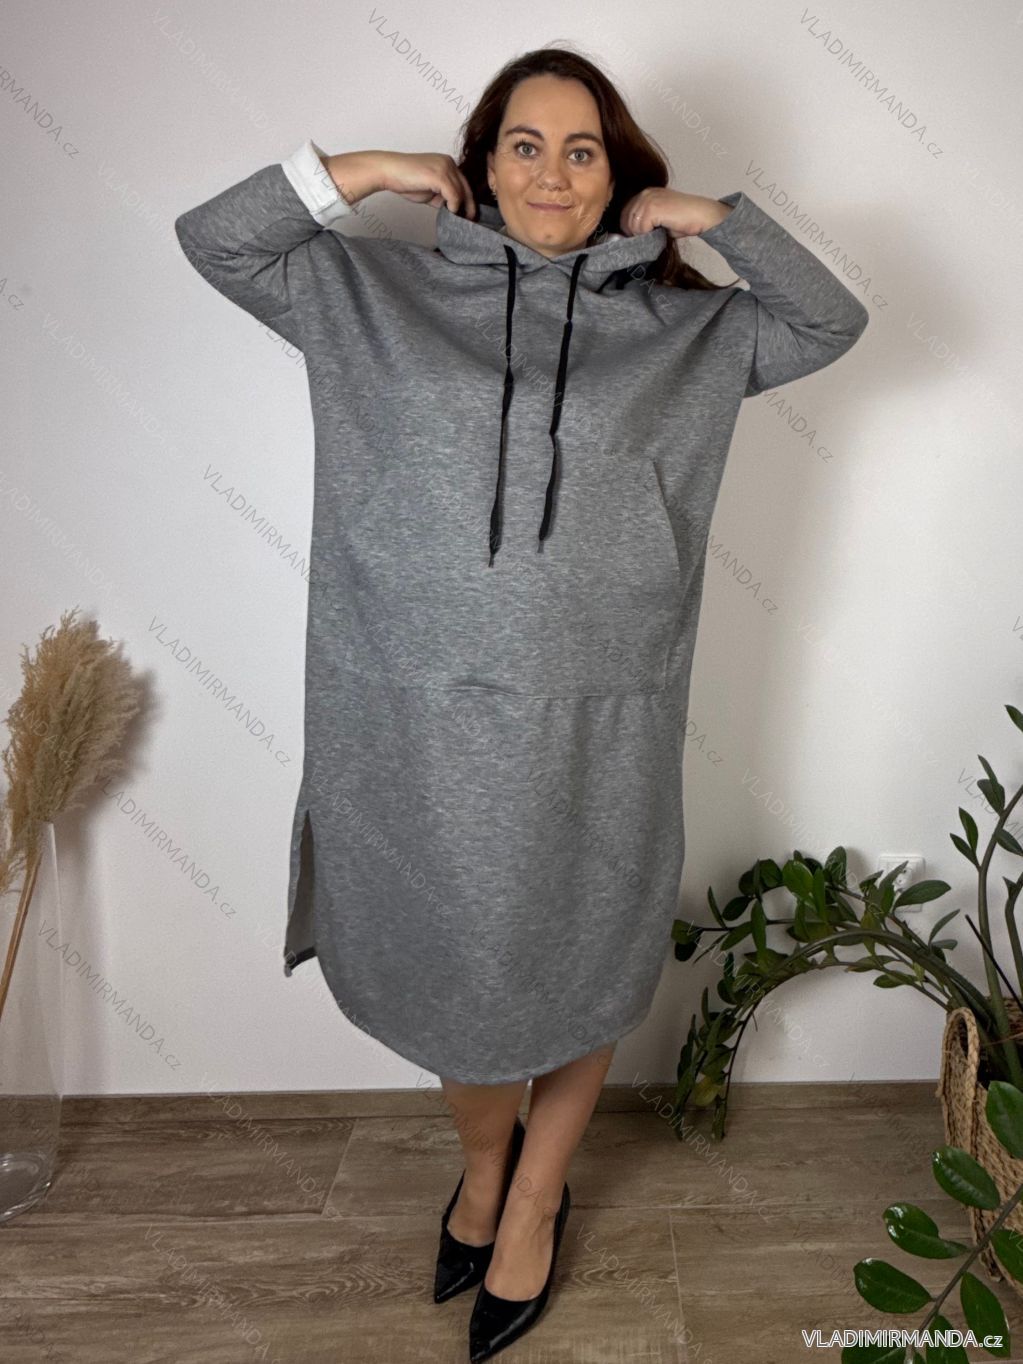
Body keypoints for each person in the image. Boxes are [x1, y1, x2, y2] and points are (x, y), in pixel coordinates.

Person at [174, 43, 868, 1361]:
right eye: (526, 144)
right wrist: (366, 170)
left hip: (604, 715)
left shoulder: (686, 331)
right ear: (482, 166)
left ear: (619, 175)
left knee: (584, 946)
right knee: (463, 976)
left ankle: (534, 1195)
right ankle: (485, 1164)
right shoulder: (371, 292)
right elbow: (216, 241)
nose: (554, 172)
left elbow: (831, 322)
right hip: (407, 719)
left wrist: (717, 220)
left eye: (583, 149)